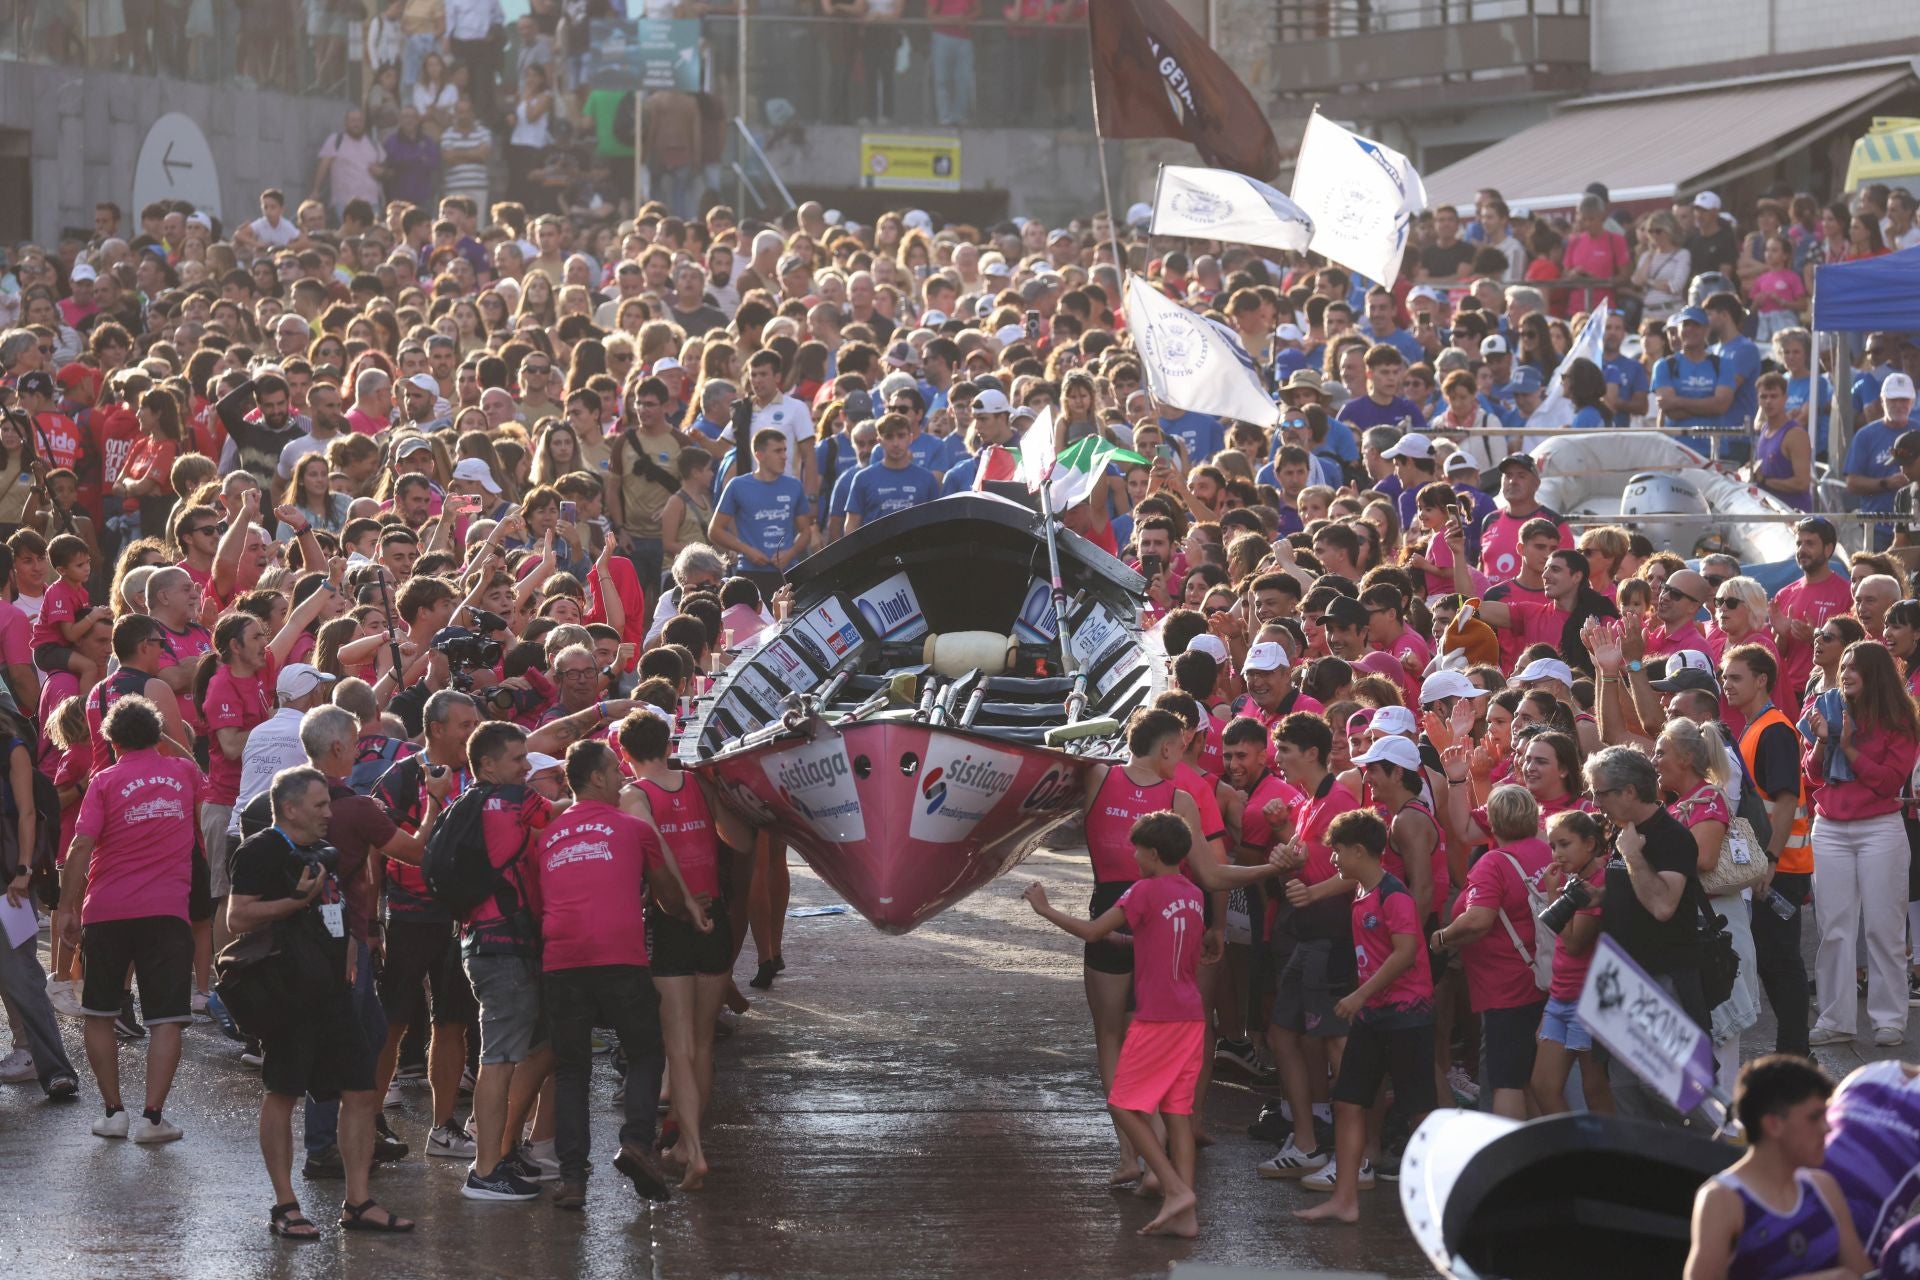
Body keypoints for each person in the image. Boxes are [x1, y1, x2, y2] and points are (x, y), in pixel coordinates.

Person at [226, 766, 415, 1239]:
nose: (330, 813)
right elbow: (237, 917)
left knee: (360, 1091)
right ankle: (285, 1206)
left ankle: (358, 1202)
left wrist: (351, 944)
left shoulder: (321, 851)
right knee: (283, 1092)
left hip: (333, 990)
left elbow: (333, 907)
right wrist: (293, 902)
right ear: (290, 809)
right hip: (288, 992)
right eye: (320, 806)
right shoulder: (262, 849)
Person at [1023, 810, 1211, 1240]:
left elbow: (1091, 932)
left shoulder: (1142, 891)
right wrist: (1126, 938)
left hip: (1158, 1017)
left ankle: (1174, 1187)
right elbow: (1165, 936)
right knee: (1177, 1114)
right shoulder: (1193, 893)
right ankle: (1185, 1215)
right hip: (1190, 1015)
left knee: (1123, 1103)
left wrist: (1043, 908)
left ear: (1154, 853)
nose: (1132, 855)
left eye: (1138, 848)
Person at [536, 740, 686, 1210]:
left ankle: (573, 1180)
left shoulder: (549, 835)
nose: (623, 776)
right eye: (613, 770)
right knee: (645, 1052)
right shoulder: (631, 827)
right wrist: (689, 908)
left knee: (572, 1070)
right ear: (597, 779)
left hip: (561, 958)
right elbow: (667, 899)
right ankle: (638, 1144)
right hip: (619, 955)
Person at [54, 695, 204, 1144]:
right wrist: (163, 739)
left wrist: (65, 907)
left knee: (99, 1012)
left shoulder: (103, 781)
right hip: (167, 911)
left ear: (111, 740)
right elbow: (194, 761)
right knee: (166, 1018)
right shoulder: (184, 773)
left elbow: (80, 848)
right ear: (156, 734)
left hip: (106, 909)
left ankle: (113, 1113)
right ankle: (153, 1119)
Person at [1295, 808, 1434, 1224]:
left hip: (1407, 1015)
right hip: (1374, 1014)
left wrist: (1359, 995)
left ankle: (1443, 1201)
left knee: (1419, 1112)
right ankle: (1345, 1199)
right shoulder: (1362, 891)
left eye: (1337, 852)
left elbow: (1406, 953)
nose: (1333, 860)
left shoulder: (1394, 895)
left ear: (1359, 851)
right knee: (1349, 1102)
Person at [618, 709, 738, 1192]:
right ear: (670, 743)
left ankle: (694, 1150)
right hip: (718, 919)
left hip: (673, 921)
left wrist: (684, 901)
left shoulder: (633, 794)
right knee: (704, 1042)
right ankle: (689, 1144)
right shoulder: (700, 784)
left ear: (625, 756)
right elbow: (740, 838)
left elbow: (654, 847)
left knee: (679, 1046)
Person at [457, 719, 556, 1203]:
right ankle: (484, 1170)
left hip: (485, 942)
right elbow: (566, 816)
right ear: (488, 765)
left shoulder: (467, 801)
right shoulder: (513, 801)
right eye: (518, 760)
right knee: (497, 1061)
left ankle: (502, 1153)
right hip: (503, 947)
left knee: (524, 1050)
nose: (526, 768)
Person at [1804, 641, 1919, 1048]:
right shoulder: (1826, 705)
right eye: (1845, 666)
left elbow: (1889, 782)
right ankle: (1836, 1019)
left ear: (1877, 673)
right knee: (1833, 928)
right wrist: (1822, 740)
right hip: (1830, 827)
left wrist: (1848, 745)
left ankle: (1890, 1019)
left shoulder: (1900, 718)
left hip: (1879, 829)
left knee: (1884, 929)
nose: (1847, 672)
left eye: (1856, 667)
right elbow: (1813, 774)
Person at [1428, 784, 1551, 1120]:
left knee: (1507, 1080)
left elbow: (1478, 920)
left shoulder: (1493, 863)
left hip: (1506, 988)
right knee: (1530, 1078)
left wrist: (1441, 937)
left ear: (1492, 823)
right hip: (1540, 979)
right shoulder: (1545, 851)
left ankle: (1508, 1162)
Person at [1685, 1055, 1867, 1280]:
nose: (1827, 1128)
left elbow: (1864, 1275)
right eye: (1814, 1118)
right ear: (1773, 1125)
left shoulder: (1823, 1187)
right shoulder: (1722, 1200)